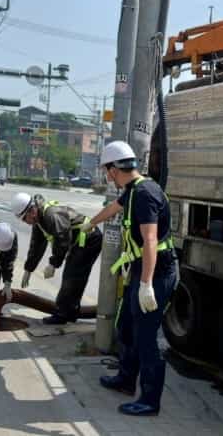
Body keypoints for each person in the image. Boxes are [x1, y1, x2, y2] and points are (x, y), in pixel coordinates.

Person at [82, 141, 177, 417]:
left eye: (106, 170)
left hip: (156, 273)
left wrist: (146, 284)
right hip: (143, 270)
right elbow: (114, 208)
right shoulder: (132, 190)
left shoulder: (145, 193)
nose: (105, 175)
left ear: (114, 169)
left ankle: (150, 400)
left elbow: (149, 240)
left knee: (146, 337)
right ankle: (125, 379)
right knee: (126, 327)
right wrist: (90, 222)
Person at [10, 192, 102, 325]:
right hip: (79, 243)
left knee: (72, 277)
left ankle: (62, 315)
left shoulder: (51, 215)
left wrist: (53, 264)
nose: (26, 223)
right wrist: (28, 269)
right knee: (72, 277)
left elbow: (62, 239)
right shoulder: (39, 221)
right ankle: (69, 312)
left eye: (24, 219)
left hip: (89, 240)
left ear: (32, 211)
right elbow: (36, 246)